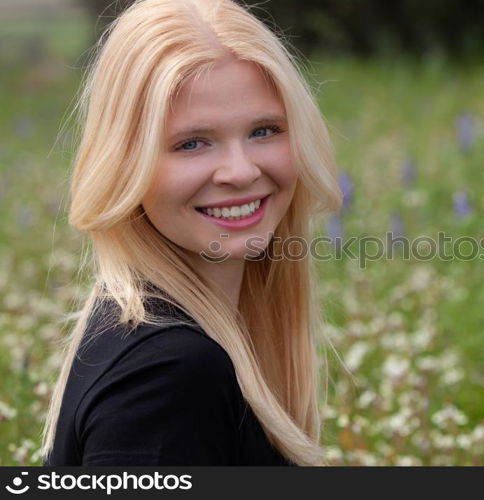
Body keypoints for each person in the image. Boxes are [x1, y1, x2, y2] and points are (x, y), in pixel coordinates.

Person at [40, 0, 342, 466]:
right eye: (192, 143)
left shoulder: (154, 337)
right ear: (126, 166)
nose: (241, 172)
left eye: (264, 130)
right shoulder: (167, 375)